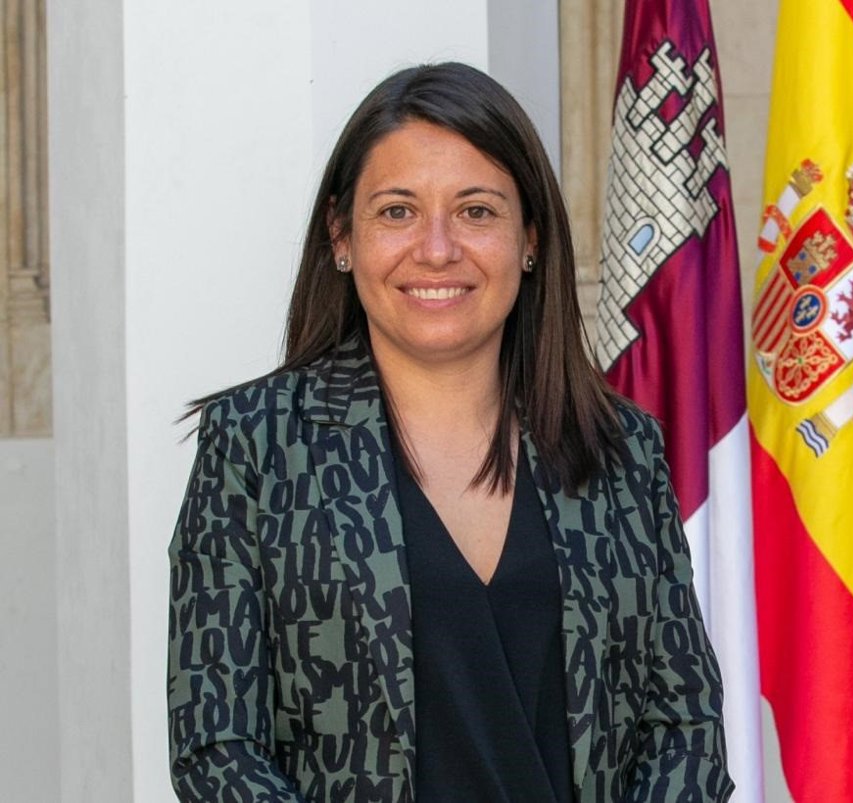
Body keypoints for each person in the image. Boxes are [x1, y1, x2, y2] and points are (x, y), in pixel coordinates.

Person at [166, 62, 733, 802]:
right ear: (342, 235)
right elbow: (217, 748)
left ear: (530, 238)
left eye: (476, 211)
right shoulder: (255, 447)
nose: (436, 249)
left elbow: (685, 727)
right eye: (397, 211)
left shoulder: (619, 451)